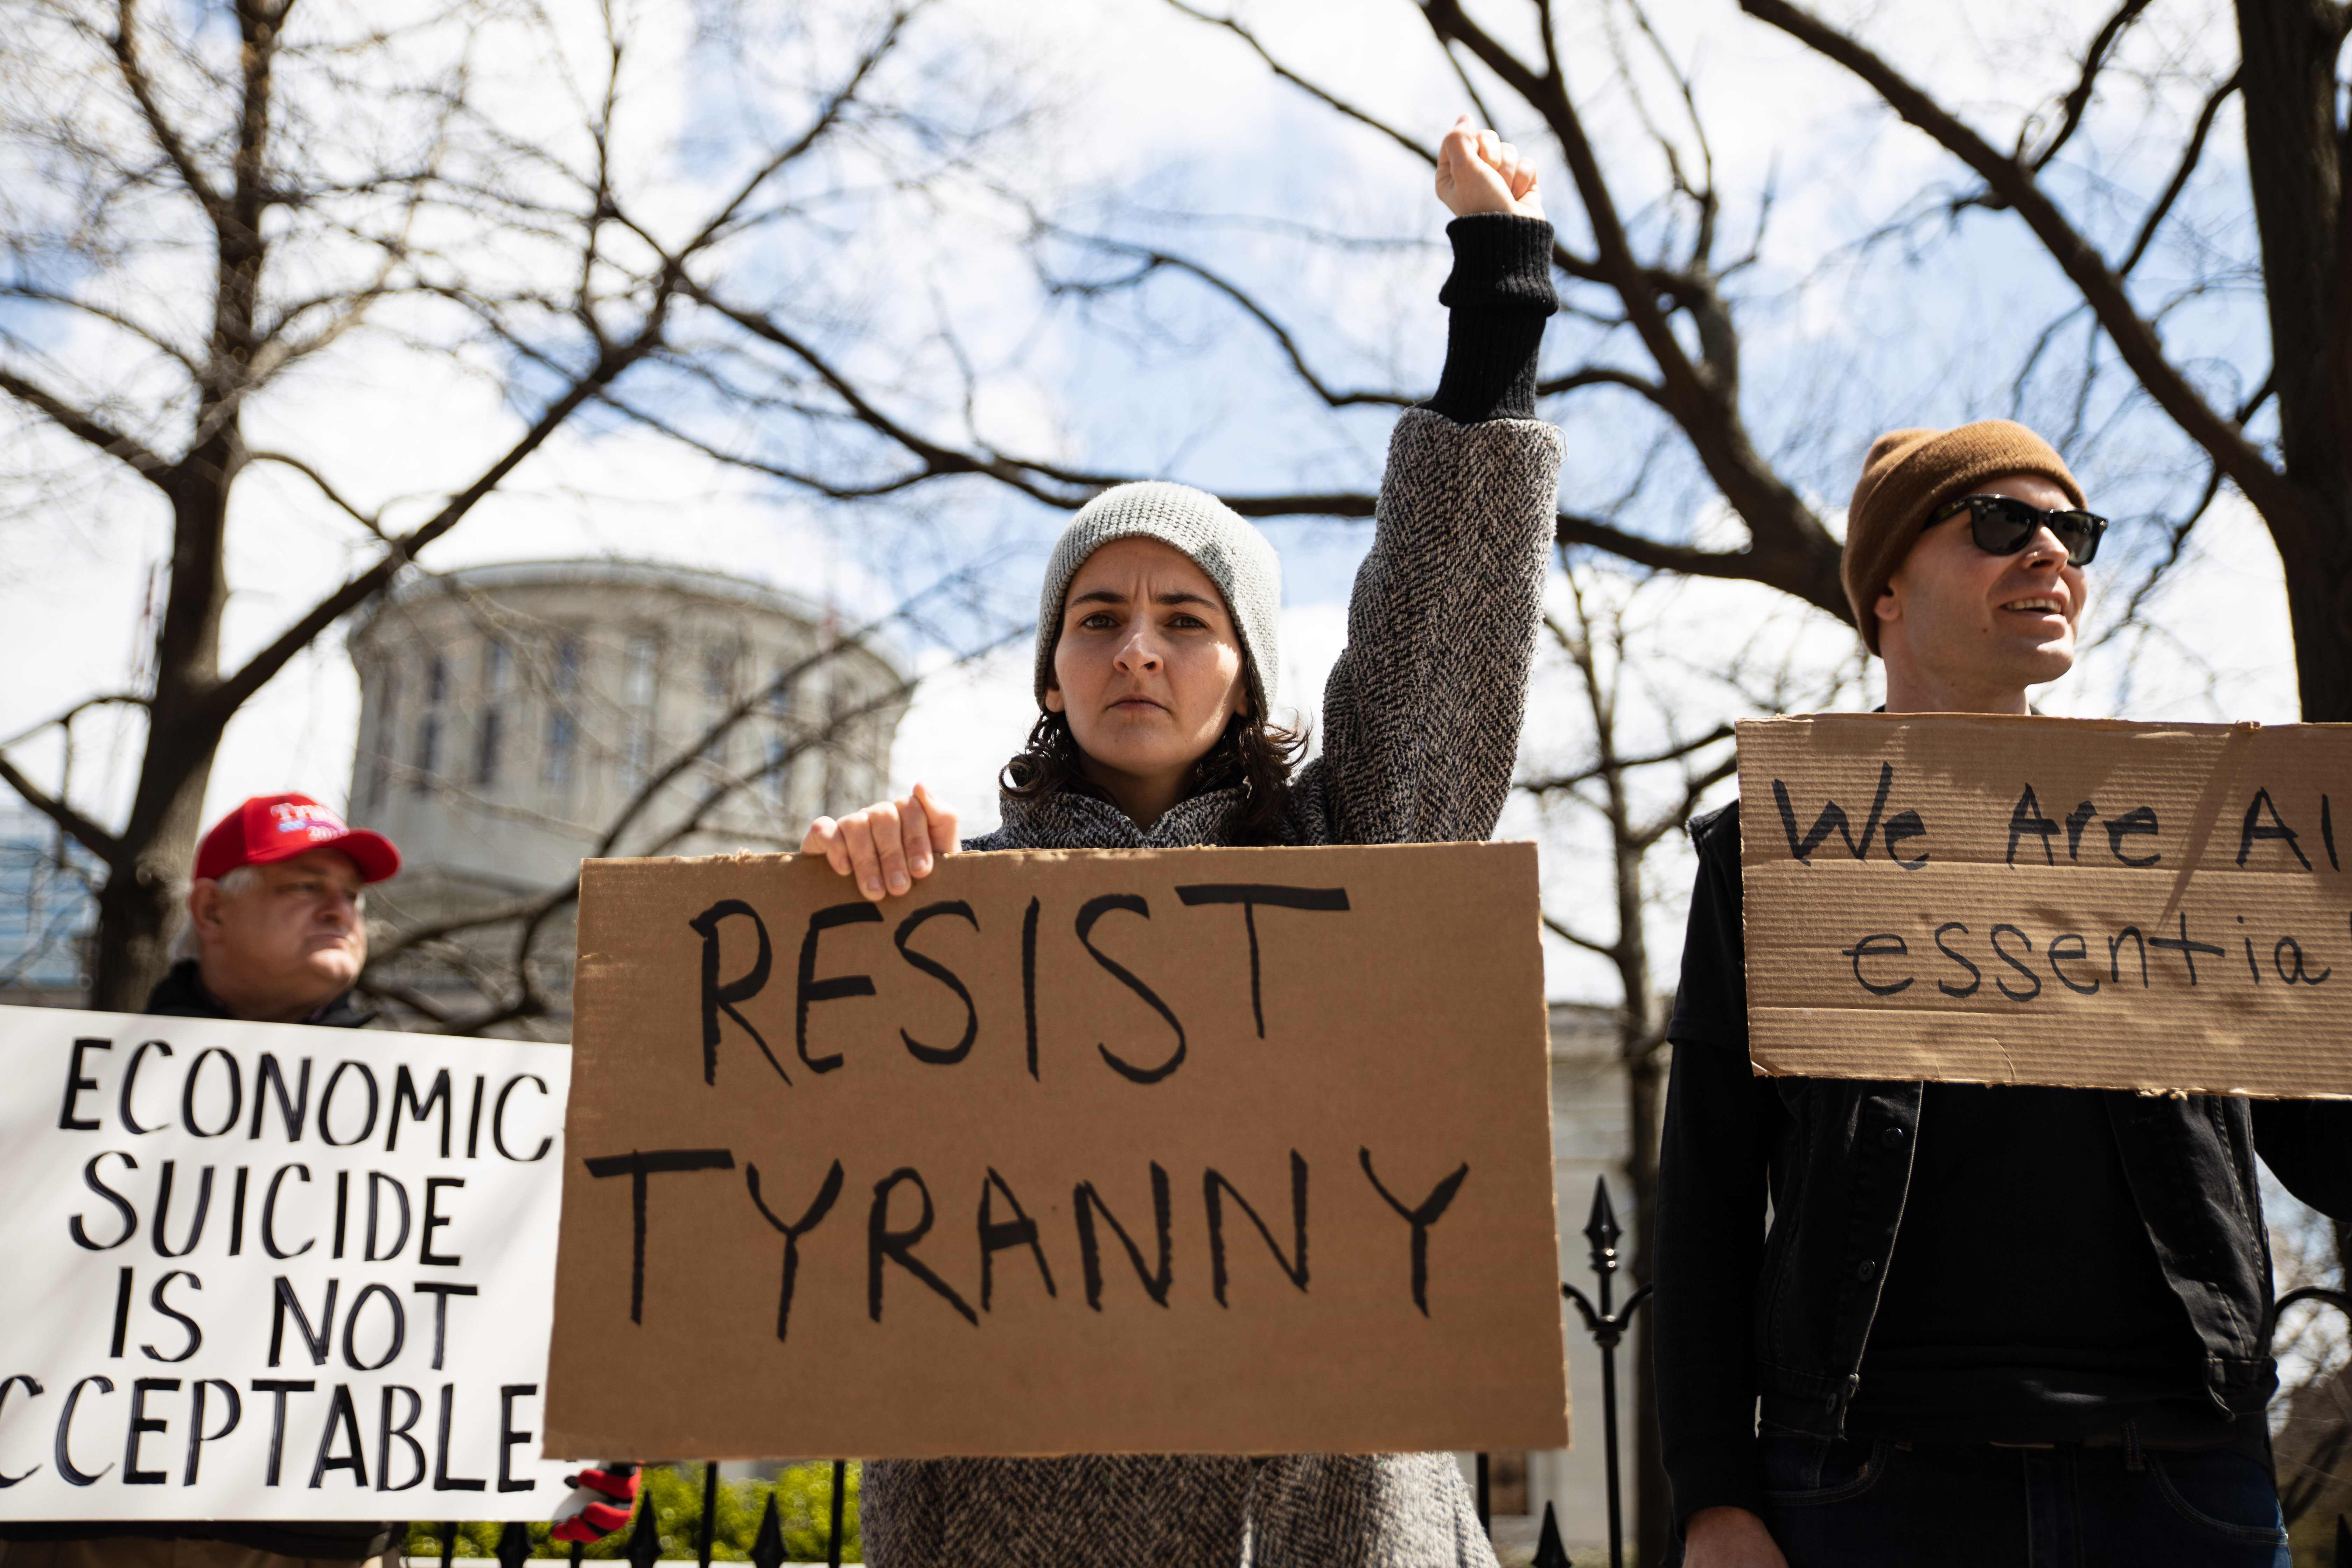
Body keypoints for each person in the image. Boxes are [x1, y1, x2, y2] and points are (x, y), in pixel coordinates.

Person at [787, 117, 1561, 1568]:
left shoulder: (1356, 852)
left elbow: (1441, 630)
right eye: (1098, 618)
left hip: (1327, 1523)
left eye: (1185, 618)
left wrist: (1497, 284)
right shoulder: (945, 908)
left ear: (1247, 674)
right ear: (1052, 671)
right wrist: (829, 902)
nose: (1137, 649)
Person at [1654, 423, 2352, 1567]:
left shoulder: (2202, 835)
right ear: (1885, 586)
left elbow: (2327, 1154)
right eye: (1999, 523)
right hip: (1871, 1484)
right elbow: (1708, 1188)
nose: (2051, 555)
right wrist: (1713, 1495)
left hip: (2185, 1482)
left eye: (2072, 531)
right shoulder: (1779, 851)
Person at [0, 794, 405, 1567]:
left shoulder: (448, 1126)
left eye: (351, 894)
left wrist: (582, 1461)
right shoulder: (65, 1099)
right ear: (212, 910)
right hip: (84, 1535)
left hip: (319, 1543)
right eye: (304, 884)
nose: (340, 909)